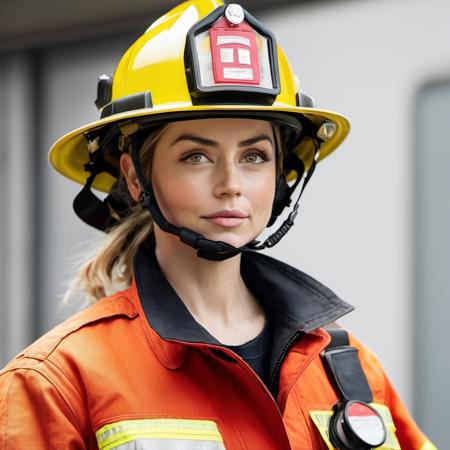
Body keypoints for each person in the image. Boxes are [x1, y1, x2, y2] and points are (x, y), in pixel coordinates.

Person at [0, 1, 437, 449]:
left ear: (281, 175)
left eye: (254, 156)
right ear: (135, 176)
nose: (231, 185)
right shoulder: (58, 382)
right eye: (196, 156)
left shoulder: (347, 367)